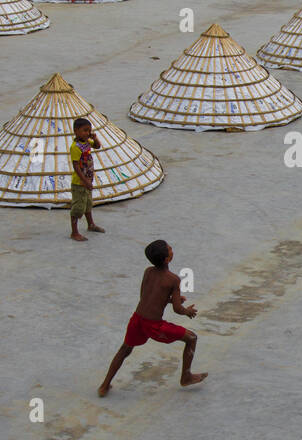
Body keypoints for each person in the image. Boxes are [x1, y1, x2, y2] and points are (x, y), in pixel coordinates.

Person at [98, 240, 206, 394]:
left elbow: (146, 296)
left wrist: (169, 299)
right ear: (167, 259)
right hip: (154, 325)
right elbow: (177, 309)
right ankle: (186, 377)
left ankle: (104, 386)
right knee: (191, 338)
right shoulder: (173, 279)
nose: (172, 249)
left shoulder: (148, 271)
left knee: (125, 349)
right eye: (170, 249)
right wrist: (186, 311)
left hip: (137, 320)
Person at [69, 117, 106, 242]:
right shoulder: (75, 147)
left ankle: (91, 224)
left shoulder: (87, 142)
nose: (87, 133)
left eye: (89, 130)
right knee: (78, 207)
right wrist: (85, 181)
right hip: (79, 183)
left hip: (88, 180)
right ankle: (74, 232)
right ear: (76, 131)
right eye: (84, 130)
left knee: (88, 204)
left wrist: (95, 138)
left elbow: (97, 146)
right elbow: (76, 166)